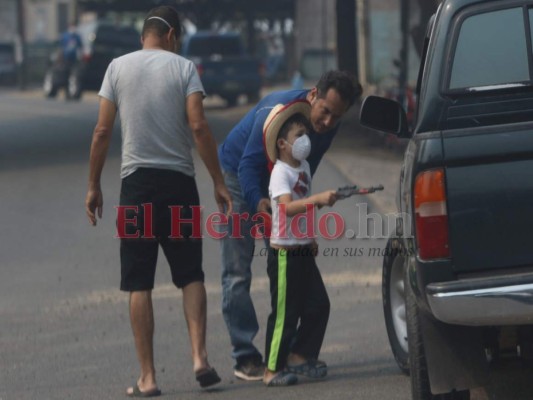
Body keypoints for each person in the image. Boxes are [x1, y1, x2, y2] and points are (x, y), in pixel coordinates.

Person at [85, 6, 232, 397]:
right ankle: (200, 357)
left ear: (146, 35)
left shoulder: (117, 67)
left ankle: (148, 378)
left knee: (138, 282)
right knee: (191, 275)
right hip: (179, 188)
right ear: (172, 35)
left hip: (137, 190)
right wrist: (217, 180)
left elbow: (102, 131)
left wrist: (93, 185)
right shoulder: (184, 68)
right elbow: (198, 126)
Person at [218, 70, 361, 380]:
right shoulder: (277, 112)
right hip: (239, 174)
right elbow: (249, 166)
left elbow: (303, 180)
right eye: (324, 112)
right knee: (238, 270)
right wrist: (261, 206)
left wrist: (303, 230)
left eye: (336, 117)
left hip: (280, 185)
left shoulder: (326, 128)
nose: (326, 123)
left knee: (293, 258)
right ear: (313, 95)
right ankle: (245, 356)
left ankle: (296, 354)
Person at [262, 100, 337, 386]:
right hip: (284, 254)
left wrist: (311, 237)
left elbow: (303, 211)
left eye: (305, 134)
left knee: (319, 305)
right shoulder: (280, 172)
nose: (304, 140)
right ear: (282, 144)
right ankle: (271, 370)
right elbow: (287, 208)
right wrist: (317, 200)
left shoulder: (303, 166)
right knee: (285, 313)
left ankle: (300, 355)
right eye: (298, 136)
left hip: (303, 248)